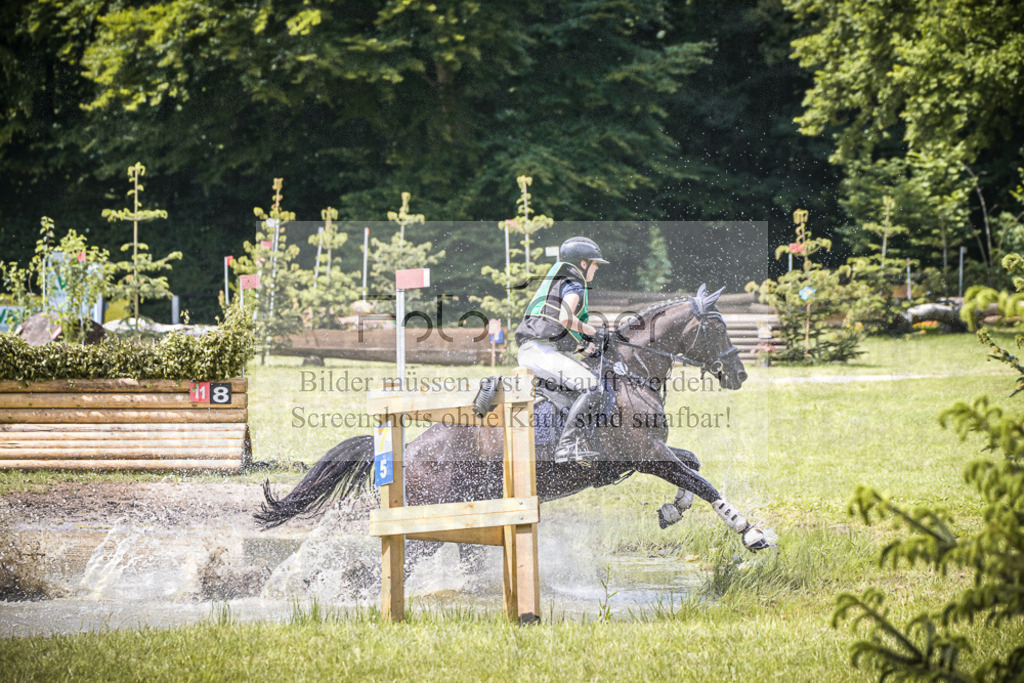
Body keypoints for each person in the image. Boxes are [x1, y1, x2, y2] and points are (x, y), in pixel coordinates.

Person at [516, 236, 609, 462]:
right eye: (594, 263)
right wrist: (593, 332)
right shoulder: (574, 283)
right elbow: (566, 317)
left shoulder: (561, 280)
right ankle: (566, 446)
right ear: (583, 264)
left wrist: (584, 342)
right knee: (593, 387)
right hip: (540, 351)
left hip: (539, 350)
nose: (597, 268)